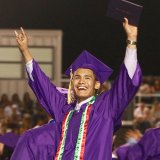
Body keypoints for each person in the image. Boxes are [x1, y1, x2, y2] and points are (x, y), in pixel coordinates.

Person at [12, 17, 142, 160]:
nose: (81, 82)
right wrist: (25, 51)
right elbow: (44, 87)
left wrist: (131, 40)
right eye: (77, 77)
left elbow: (126, 84)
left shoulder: (105, 107)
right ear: (72, 82)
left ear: (97, 84)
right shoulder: (64, 110)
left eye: (87, 78)